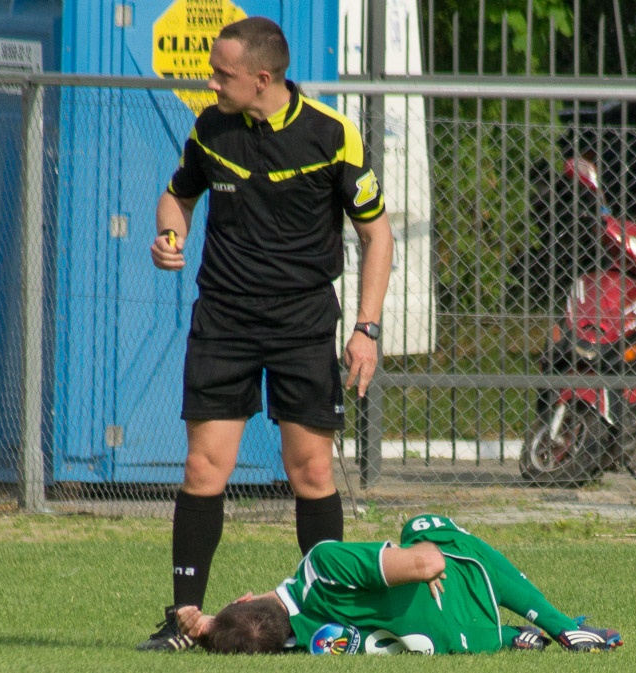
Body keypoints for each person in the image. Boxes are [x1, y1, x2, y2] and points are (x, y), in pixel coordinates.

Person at [138, 15, 394, 652]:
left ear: (262, 78)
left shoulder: (332, 135)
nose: (210, 82)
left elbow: (376, 234)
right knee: (204, 466)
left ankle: (334, 615)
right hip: (223, 319)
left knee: (309, 470)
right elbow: (177, 196)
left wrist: (366, 329)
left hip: (303, 323)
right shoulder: (212, 126)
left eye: (221, 73)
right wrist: (171, 234)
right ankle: (182, 619)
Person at [176, 514, 624, 655]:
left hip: (461, 642)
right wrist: (421, 559)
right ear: (245, 596)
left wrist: (208, 631)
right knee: (425, 526)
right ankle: (562, 625)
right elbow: (427, 561)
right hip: (460, 594)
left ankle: (510, 638)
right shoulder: (321, 566)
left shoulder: (301, 643)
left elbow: (242, 633)